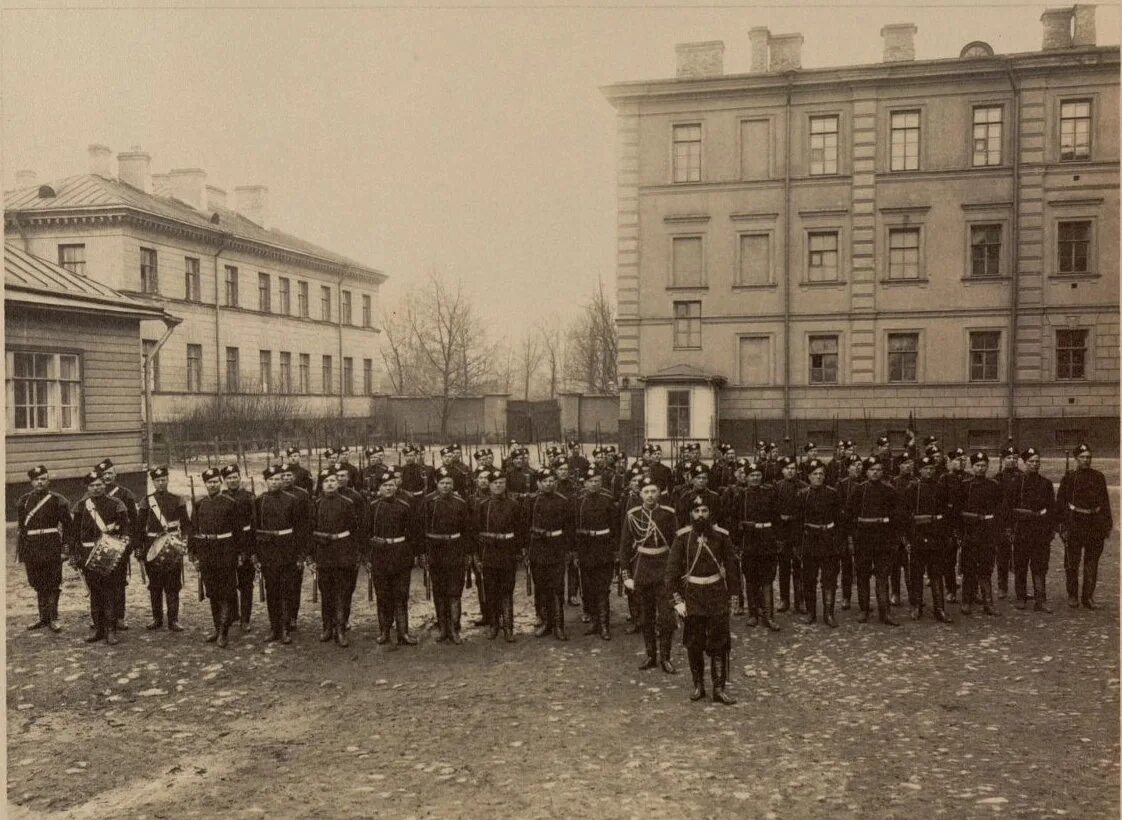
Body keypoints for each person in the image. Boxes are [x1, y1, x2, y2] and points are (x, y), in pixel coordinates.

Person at [667, 496, 736, 704]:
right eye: (696, 511)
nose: (700, 515)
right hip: (693, 596)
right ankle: (698, 685)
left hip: (716, 594)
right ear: (691, 514)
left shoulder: (721, 536)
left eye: (704, 511)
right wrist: (677, 600)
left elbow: (732, 567)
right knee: (694, 642)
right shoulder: (682, 538)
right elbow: (671, 572)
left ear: (710, 513)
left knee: (720, 643)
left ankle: (719, 688)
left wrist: (733, 595)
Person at [620, 481, 679, 672]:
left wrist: (676, 573)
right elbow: (624, 547)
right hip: (642, 569)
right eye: (646, 491)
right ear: (641, 494)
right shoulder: (632, 515)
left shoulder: (669, 514)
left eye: (654, 491)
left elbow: (676, 546)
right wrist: (626, 574)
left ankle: (666, 657)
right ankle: (651, 655)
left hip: (663, 570)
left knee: (666, 617)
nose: (650, 495)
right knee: (646, 616)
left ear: (660, 492)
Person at [70, 470, 130, 645]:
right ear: (87, 487)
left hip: (110, 554)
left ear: (105, 485)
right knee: (95, 594)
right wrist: (75, 553)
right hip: (88, 554)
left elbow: (126, 529)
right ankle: (98, 630)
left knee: (110, 593)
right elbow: (74, 532)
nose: (96, 488)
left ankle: (111, 631)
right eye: (92, 485)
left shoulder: (117, 503)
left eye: (99, 485)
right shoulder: (81, 506)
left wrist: (122, 547)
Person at [189, 468, 243, 648]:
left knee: (226, 592)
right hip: (206, 552)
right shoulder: (199, 504)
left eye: (215, 481)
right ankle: (216, 626)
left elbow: (238, 532)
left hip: (225, 552)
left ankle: (223, 631)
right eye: (209, 482)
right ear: (205, 484)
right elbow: (193, 530)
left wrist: (239, 553)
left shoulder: (230, 503)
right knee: (212, 592)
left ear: (220, 483)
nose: (212, 485)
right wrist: (193, 553)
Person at [15, 466, 72, 633]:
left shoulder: (58, 500)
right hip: (32, 547)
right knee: (36, 582)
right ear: (31, 482)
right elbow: (21, 528)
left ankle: (53, 618)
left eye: (43, 479)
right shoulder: (23, 501)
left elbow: (68, 527)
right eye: (37, 479)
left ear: (48, 481)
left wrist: (65, 549)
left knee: (53, 581)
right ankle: (43, 618)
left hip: (51, 545)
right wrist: (22, 552)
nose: (40, 482)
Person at [1056, 444, 1113, 610]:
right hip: (1075, 523)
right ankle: (1072, 595)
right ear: (1076, 459)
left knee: (1092, 563)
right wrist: (1062, 527)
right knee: (1072, 563)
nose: (1086, 460)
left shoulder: (1099, 477)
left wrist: (1106, 525)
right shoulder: (1069, 478)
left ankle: (1088, 597)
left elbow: (1105, 503)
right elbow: (1061, 504)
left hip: (1094, 524)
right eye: (1082, 457)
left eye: (1088, 457)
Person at [421, 467, 473, 644]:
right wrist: (424, 553)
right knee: (439, 590)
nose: (445, 486)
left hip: (455, 550)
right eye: (442, 483)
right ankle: (443, 627)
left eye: (449, 483)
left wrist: (467, 553)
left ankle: (454, 628)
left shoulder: (460, 503)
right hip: (436, 550)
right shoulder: (428, 502)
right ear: (436, 483)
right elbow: (422, 529)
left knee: (454, 591)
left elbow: (467, 530)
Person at [310, 467, 362, 647]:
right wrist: (312, 556)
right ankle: (327, 627)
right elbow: (311, 530)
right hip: (324, 554)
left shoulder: (348, 503)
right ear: (321, 485)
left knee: (343, 591)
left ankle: (340, 628)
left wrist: (355, 553)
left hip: (343, 552)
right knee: (326, 592)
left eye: (333, 480)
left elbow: (356, 530)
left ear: (338, 483)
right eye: (326, 481)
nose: (330, 484)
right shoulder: (316, 504)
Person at [1002, 448, 1056, 612]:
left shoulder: (1046, 483)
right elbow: (1007, 508)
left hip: (1040, 530)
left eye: (1037, 461)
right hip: (1022, 529)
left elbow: (1051, 508)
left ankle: (1041, 599)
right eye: (1031, 462)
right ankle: (1021, 596)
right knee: (1020, 565)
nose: (1034, 464)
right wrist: (1009, 529)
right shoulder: (1016, 483)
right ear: (1024, 463)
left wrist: (1051, 529)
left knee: (1040, 565)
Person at [137, 466, 191, 632]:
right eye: (157, 480)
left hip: (172, 544)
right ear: (153, 482)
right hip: (152, 545)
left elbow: (186, 524)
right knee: (155, 584)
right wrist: (139, 548)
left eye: (163, 480)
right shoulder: (146, 501)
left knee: (173, 584)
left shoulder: (178, 499)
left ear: (168, 480)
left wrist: (185, 541)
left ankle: (173, 620)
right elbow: (139, 527)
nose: (161, 483)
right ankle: (157, 618)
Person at [901, 456, 954, 623]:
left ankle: (939, 608)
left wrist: (945, 534)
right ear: (920, 470)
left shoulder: (940, 488)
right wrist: (909, 537)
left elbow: (946, 513)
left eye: (932, 468)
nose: (929, 471)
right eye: (925, 469)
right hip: (918, 534)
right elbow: (906, 514)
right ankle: (916, 606)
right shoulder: (912, 489)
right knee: (916, 573)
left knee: (936, 573)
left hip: (936, 535)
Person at [849, 457, 901, 626]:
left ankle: (885, 612)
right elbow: (850, 515)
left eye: (878, 469)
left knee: (882, 575)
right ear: (866, 472)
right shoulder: (859, 490)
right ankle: (864, 609)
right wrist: (854, 536)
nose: (875, 472)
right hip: (863, 538)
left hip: (883, 538)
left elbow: (896, 517)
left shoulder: (890, 490)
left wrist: (893, 539)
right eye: (872, 469)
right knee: (863, 574)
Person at [524, 467, 574, 640]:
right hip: (538, 549)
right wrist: (526, 549)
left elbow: (569, 528)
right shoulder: (532, 501)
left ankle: (559, 625)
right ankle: (546, 623)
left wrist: (568, 550)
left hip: (556, 548)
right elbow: (525, 526)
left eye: (552, 480)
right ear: (538, 483)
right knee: (542, 587)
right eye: (545, 481)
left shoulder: (563, 501)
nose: (549, 484)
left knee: (557, 587)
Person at [254, 465, 302, 643]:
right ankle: (274, 627)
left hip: (287, 549)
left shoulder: (292, 500)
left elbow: (299, 528)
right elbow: (255, 528)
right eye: (271, 479)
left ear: (283, 480)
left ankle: (285, 628)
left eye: (278, 479)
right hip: (268, 551)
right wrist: (257, 554)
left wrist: (299, 554)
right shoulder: (259, 501)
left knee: (287, 590)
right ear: (266, 482)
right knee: (272, 590)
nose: (275, 482)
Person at [473, 470, 522, 642]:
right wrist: (477, 557)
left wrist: (518, 552)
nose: (498, 485)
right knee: (491, 591)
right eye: (495, 483)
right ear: (490, 485)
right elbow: (476, 532)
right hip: (489, 553)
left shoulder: (514, 505)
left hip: (507, 552)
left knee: (507, 590)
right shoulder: (482, 505)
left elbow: (520, 531)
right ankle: (494, 625)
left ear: (505, 484)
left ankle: (508, 627)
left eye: (501, 482)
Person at [954, 452, 1002, 617]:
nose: (981, 468)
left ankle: (988, 602)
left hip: (987, 532)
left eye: (983, 465)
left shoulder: (994, 485)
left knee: (986, 568)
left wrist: (996, 531)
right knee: (968, 568)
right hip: (970, 532)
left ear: (988, 466)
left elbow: (999, 510)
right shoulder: (965, 486)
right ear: (972, 467)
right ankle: (966, 601)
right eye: (977, 465)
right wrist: (960, 533)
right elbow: (958, 511)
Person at [734, 461, 781, 631]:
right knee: (751, 578)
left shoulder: (770, 493)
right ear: (745, 477)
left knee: (767, 578)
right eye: (752, 475)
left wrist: (777, 539)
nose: (755, 478)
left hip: (767, 540)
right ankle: (753, 614)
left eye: (758, 475)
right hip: (750, 542)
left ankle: (768, 615)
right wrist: (738, 541)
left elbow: (776, 518)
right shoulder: (741, 495)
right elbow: (735, 520)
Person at [797, 459, 843, 627]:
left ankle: (829, 613)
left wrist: (838, 541)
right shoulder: (802, 495)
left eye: (821, 474)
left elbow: (840, 520)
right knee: (809, 578)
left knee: (829, 578)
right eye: (814, 474)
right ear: (808, 477)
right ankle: (811, 612)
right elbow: (798, 521)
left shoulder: (832, 493)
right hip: (810, 540)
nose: (818, 477)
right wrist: (798, 545)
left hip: (828, 540)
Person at [574, 469, 619, 640]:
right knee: (588, 587)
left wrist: (614, 551)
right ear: (584, 484)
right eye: (591, 481)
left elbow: (615, 527)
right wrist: (577, 553)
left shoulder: (608, 500)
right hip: (586, 549)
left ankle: (604, 625)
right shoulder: (579, 502)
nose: (594, 484)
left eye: (597, 481)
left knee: (602, 587)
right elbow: (575, 528)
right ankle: (594, 621)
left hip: (603, 548)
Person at [95, 459, 137, 632]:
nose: (106, 477)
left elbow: (133, 522)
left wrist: (129, 544)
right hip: (98, 546)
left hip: (118, 545)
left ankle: (119, 617)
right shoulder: (92, 497)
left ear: (115, 474)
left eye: (109, 474)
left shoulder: (125, 495)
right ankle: (101, 617)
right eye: (103, 475)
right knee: (98, 582)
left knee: (119, 582)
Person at [221, 465, 257, 632]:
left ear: (240, 477)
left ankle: (245, 619)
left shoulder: (249, 497)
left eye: (235, 477)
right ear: (224, 481)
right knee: (228, 582)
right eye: (229, 478)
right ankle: (233, 614)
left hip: (246, 543)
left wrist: (252, 550)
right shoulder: (221, 498)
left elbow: (256, 524)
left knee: (246, 584)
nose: (232, 480)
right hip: (228, 546)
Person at [332, 465, 367, 633]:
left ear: (348, 478)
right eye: (336, 476)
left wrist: (359, 549)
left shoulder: (356, 497)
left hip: (349, 548)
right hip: (330, 550)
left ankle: (343, 619)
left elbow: (362, 525)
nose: (339, 479)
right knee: (330, 587)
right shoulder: (324, 497)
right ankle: (331, 621)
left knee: (347, 587)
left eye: (343, 475)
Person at [279, 465, 312, 633]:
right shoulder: (270, 497)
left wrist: (303, 552)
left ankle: (293, 616)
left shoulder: (302, 494)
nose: (286, 478)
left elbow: (306, 523)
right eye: (283, 475)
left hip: (295, 545)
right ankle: (280, 619)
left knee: (294, 584)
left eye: (289, 475)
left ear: (294, 477)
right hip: (278, 548)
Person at [774, 456, 805, 614]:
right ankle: (784, 599)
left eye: (793, 468)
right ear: (782, 471)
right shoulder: (777, 487)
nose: (790, 471)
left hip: (798, 531)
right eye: (787, 468)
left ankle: (800, 601)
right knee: (784, 567)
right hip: (782, 532)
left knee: (799, 567)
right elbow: (773, 511)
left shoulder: (803, 487)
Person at [836, 457, 864, 611]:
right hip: (846, 529)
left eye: (860, 465)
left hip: (862, 530)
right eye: (854, 465)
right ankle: (846, 596)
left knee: (862, 565)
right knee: (846, 564)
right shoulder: (841, 485)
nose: (858, 468)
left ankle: (862, 599)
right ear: (848, 468)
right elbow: (839, 508)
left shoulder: (865, 484)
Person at [994, 444, 1020, 599]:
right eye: (1009, 458)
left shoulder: (1023, 477)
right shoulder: (997, 479)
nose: (1012, 461)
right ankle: (1002, 586)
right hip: (1002, 523)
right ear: (1003, 460)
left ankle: (1019, 587)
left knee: (1020, 556)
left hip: (1019, 522)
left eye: (1015, 458)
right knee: (1002, 556)